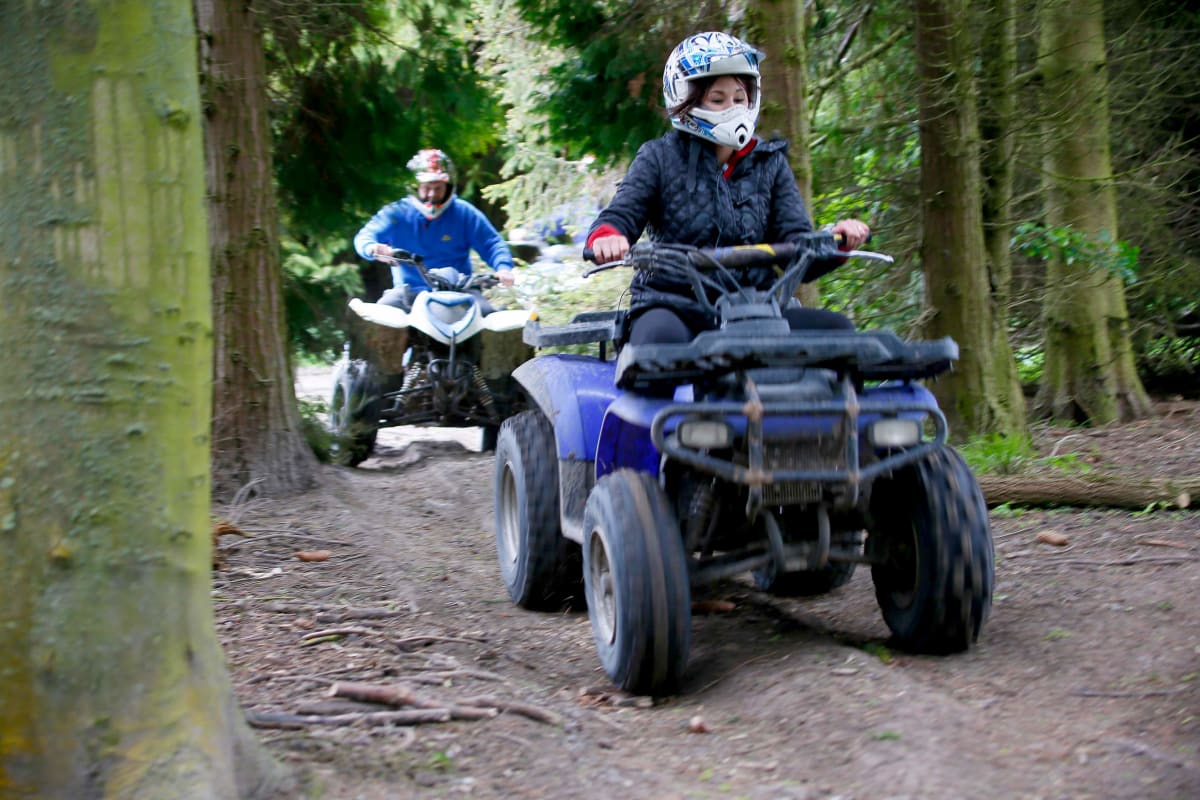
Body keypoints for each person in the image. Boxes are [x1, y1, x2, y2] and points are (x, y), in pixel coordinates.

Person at [585, 31, 871, 347]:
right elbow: (620, 216)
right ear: (686, 100)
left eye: (739, 98)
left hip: (756, 309)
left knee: (838, 331)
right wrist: (608, 238)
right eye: (718, 100)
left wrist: (838, 242)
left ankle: (832, 398)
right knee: (656, 345)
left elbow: (796, 249)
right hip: (674, 305)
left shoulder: (770, 162)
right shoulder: (658, 157)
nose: (732, 108)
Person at [354, 148, 515, 312]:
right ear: (416, 186)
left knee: (486, 316)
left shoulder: (464, 213)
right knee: (384, 314)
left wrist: (503, 268)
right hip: (410, 291)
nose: (432, 194)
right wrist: (372, 248)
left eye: (438, 188)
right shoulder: (396, 213)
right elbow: (365, 236)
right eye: (426, 187)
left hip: (460, 289)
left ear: (448, 186)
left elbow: (492, 243)